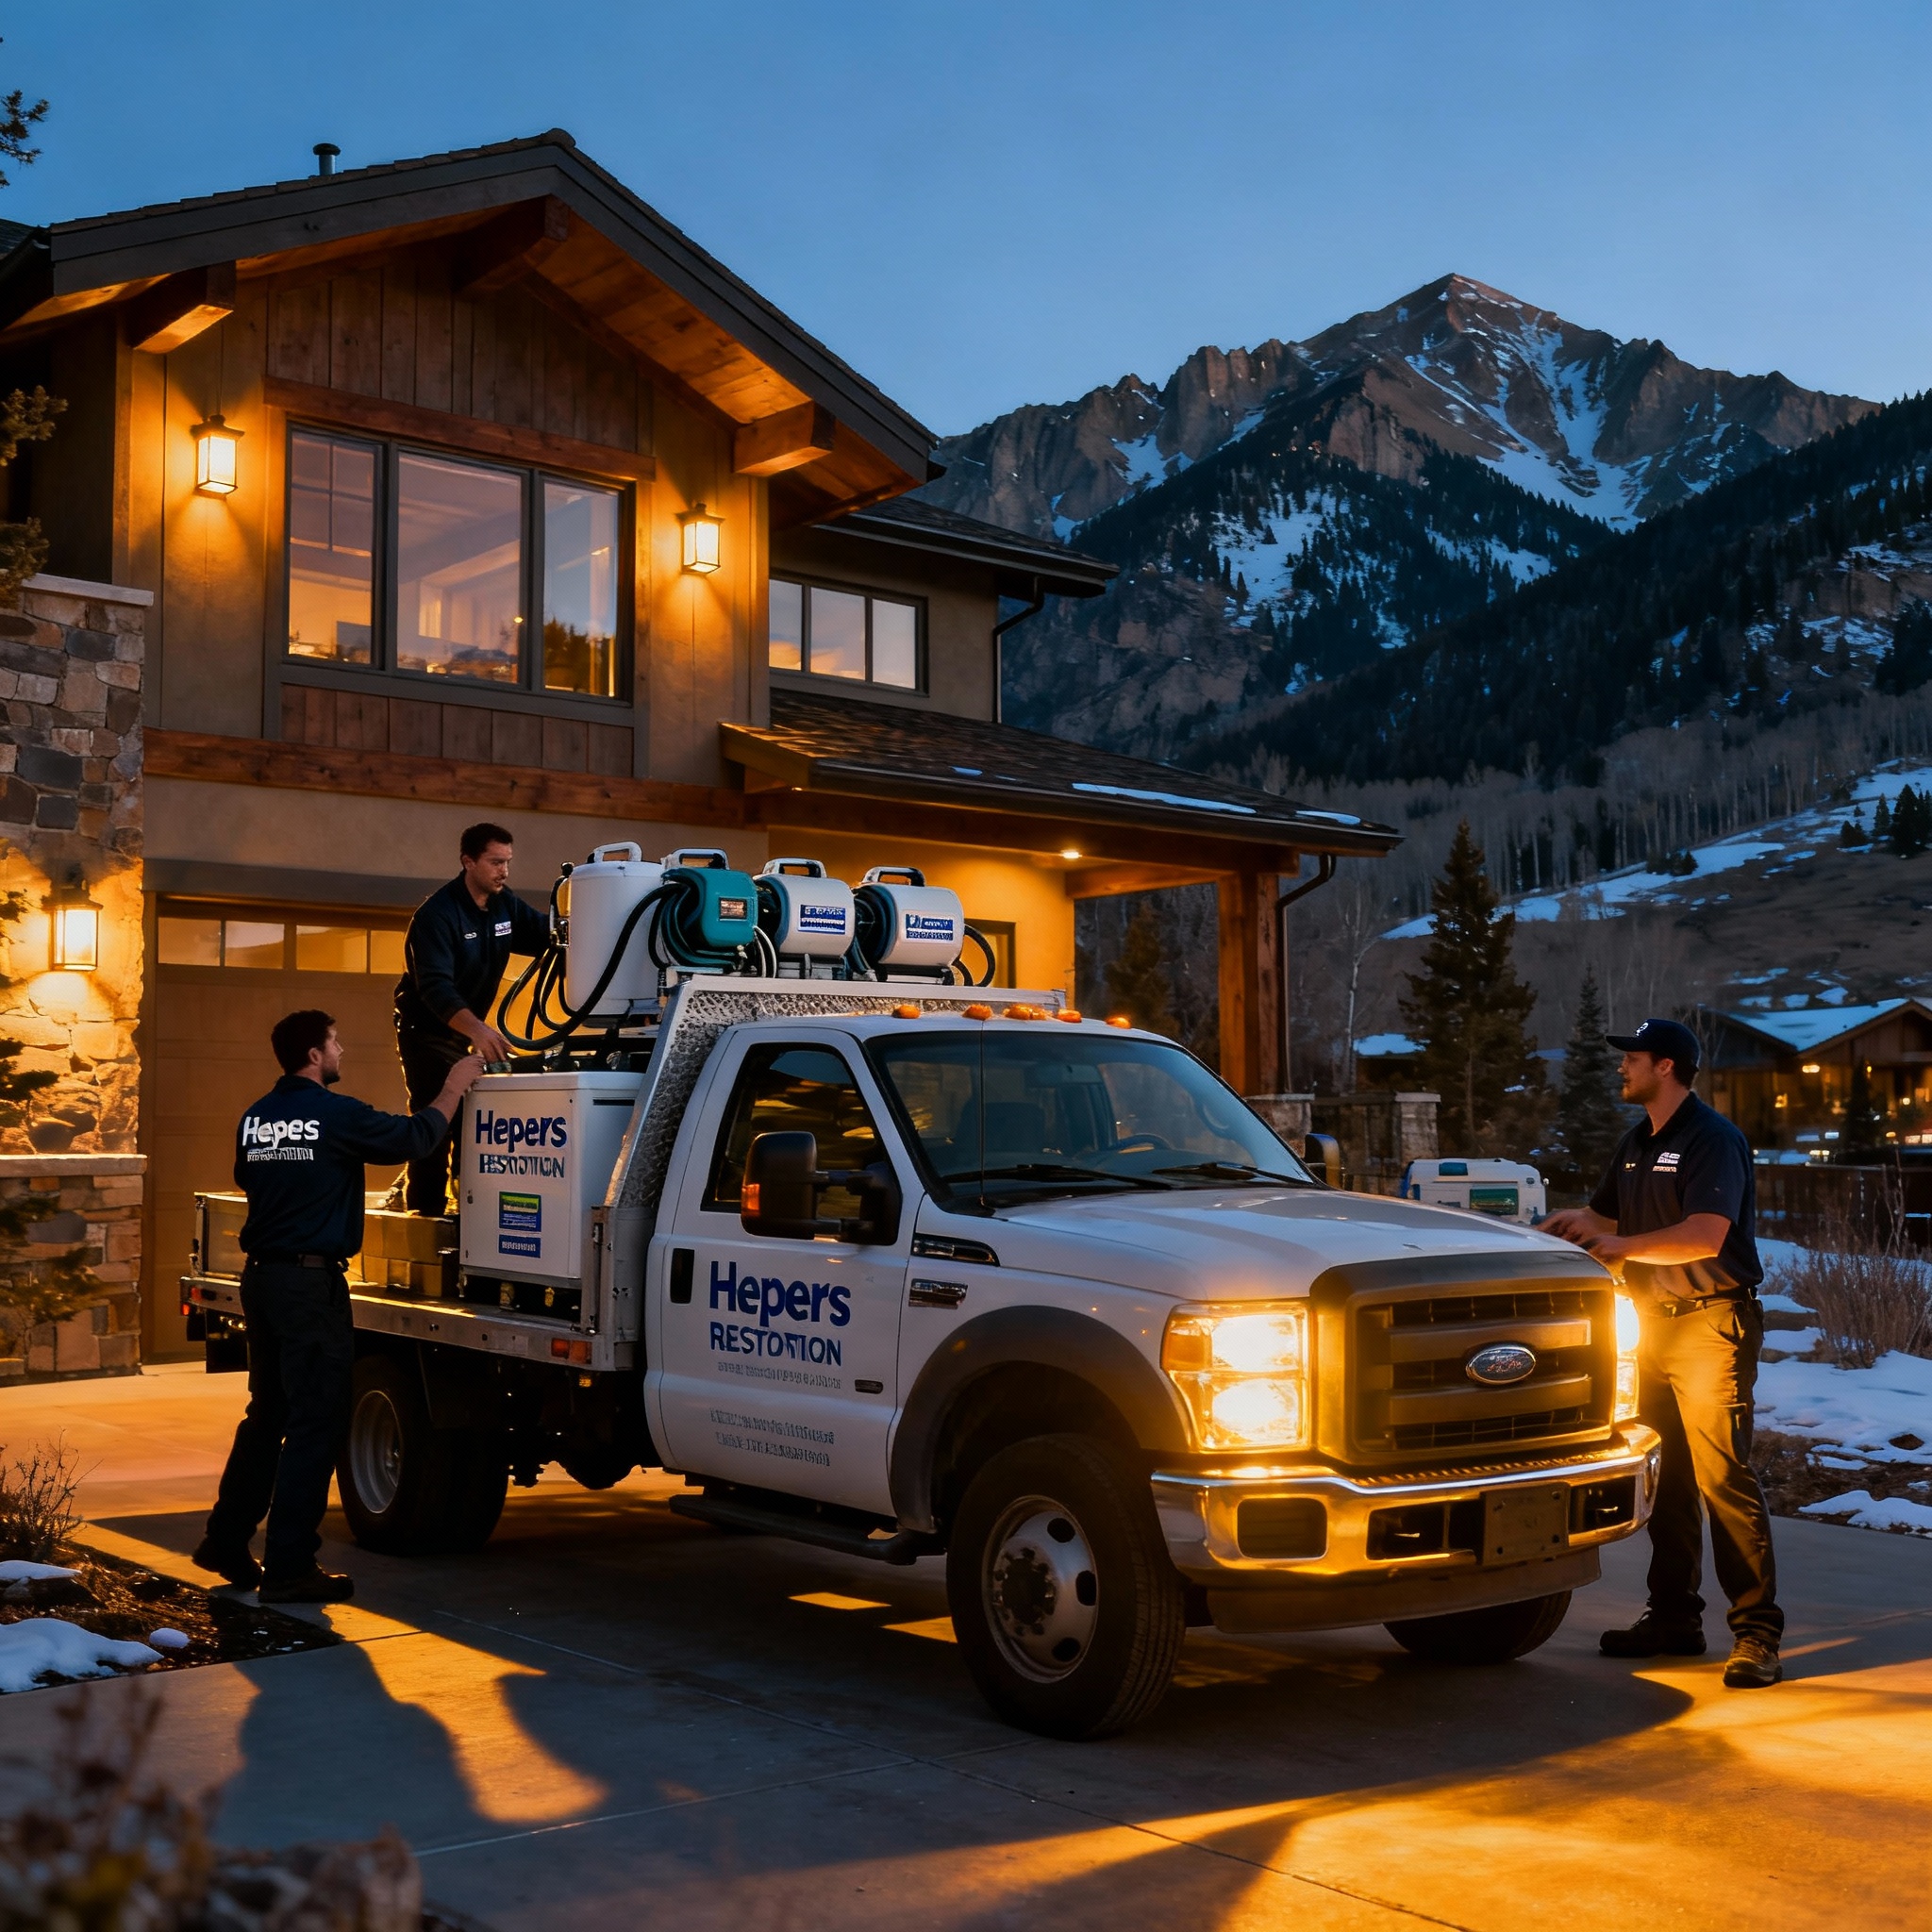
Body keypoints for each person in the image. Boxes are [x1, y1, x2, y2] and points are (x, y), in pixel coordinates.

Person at [193, 1009, 484, 1602]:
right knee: (316, 1422)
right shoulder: (336, 1115)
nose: (342, 1050)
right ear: (313, 1054)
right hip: (309, 1285)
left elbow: (253, 1179)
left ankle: (225, 1540)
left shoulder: (257, 1118)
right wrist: (455, 1085)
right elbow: (417, 1137)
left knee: (268, 1414)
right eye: (334, 1043)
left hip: (263, 1281)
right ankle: (289, 1567)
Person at [1542, 1015, 1783, 1690]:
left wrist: (1619, 1249)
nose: (1623, 1068)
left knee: (1721, 1479)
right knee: (1667, 1480)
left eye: (1634, 1058)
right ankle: (1675, 1618)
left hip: (1711, 1326)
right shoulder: (1636, 1142)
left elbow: (1704, 1236)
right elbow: (1604, 1219)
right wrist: (1556, 1231)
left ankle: (1758, 1634)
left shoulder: (1714, 1140)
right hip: (1652, 1326)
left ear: (1667, 1067)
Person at [392, 822, 547, 1213]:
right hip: (425, 1032)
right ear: (468, 862)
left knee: (475, 1122)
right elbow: (435, 989)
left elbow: (549, 938)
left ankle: (471, 1211)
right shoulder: (437, 917)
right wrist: (478, 1030)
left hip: (464, 1034)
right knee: (437, 1119)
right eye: (496, 862)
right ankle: (424, 1214)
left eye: (508, 862)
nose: (504, 871)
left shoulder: (504, 905)